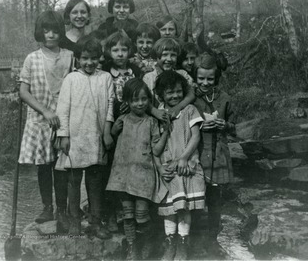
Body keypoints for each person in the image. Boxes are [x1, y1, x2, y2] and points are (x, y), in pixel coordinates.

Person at [18, 10, 73, 232]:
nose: (50, 34)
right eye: (46, 30)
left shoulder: (70, 56)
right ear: (40, 32)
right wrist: (45, 111)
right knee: (44, 166)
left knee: (61, 167)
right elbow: (24, 91)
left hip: (63, 120)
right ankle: (46, 207)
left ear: (61, 31)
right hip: (40, 122)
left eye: (55, 30)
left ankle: (62, 208)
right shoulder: (32, 58)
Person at [55, 35, 114, 237]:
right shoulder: (71, 79)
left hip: (96, 137)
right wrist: (63, 135)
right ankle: (74, 223)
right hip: (75, 138)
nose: (89, 63)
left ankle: (96, 222)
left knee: (95, 182)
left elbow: (110, 107)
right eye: (85, 58)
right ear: (78, 58)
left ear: (99, 58)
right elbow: (62, 109)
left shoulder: (105, 78)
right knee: (73, 181)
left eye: (94, 58)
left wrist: (106, 132)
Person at [106, 78, 169, 260]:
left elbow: (156, 149)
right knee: (127, 215)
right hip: (123, 175)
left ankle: (148, 241)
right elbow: (112, 141)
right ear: (126, 101)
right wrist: (114, 131)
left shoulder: (151, 122)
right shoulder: (122, 121)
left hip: (143, 175)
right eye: (134, 100)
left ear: (149, 100)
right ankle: (133, 248)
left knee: (141, 216)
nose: (139, 103)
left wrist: (165, 131)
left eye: (143, 99)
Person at [154, 70, 205, 261]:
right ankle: (170, 242)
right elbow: (154, 143)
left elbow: (195, 136)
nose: (175, 96)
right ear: (161, 95)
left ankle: (183, 243)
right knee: (170, 207)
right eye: (170, 93)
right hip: (168, 167)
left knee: (184, 208)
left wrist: (184, 157)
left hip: (186, 165)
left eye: (178, 91)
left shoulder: (189, 110)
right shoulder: (159, 113)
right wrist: (159, 166)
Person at [193, 52, 236, 258]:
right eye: (201, 78)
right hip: (198, 152)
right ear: (195, 76)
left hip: (218, 153)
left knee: (215, 199)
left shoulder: (224, 99)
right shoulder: (191, 98)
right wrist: (200, 126)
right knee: (195, 196)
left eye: (210, 78)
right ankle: (193, 239)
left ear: (216, 78)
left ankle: (212, 239)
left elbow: (236, 128)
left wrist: (225, 125)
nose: (205, 82)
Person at [142, 38, 195, 119]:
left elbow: (191, 93)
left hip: (180, 118)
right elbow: (144, 99)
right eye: (164, 55)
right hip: (155, 119)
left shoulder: (182, 74)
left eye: (173, 55)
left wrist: (178, 107)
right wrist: (155, 112)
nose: (169, 59)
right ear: (157, 56)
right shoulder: (149, 78)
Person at [103, 30, 142, 119]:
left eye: (124, 50)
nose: (120, 54)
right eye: (115, 50)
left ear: (129, 51)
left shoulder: (135, 72)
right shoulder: (106, 72)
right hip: (113, 116)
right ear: (109, 52)